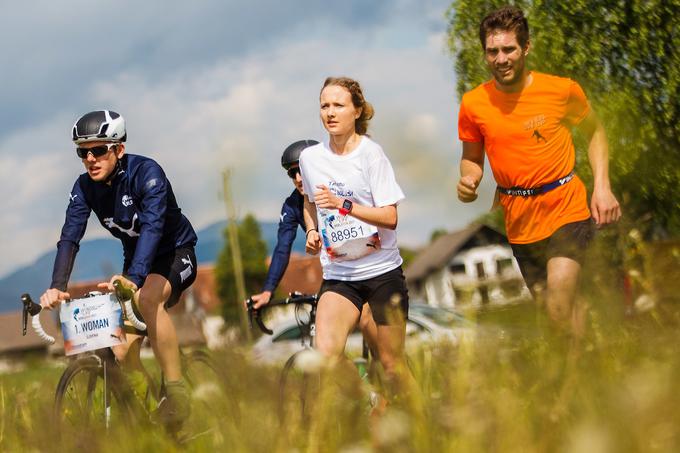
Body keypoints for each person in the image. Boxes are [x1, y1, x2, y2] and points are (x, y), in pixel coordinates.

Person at [456, 6, 621, 335]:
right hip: (519, 222)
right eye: (493, 51)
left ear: (526, 47)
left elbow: (596, 132)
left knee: (559, 306)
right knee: (559, 316)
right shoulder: (473, 104)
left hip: (566, 208)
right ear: (484, 53)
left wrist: (602, 187)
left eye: (509, 49)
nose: (501, 59)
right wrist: (470, 179)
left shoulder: (560, 90)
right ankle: (593, 372)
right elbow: (472, 157)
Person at [39, 110, 198, 427]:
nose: (90, 159)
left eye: (98, 150)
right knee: (122, 352)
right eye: (83, 152)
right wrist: (57, 284)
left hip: (175, 254)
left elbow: (153, 227)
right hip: (135, 263)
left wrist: (134, 279)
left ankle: (177, 392)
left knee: (148, 298)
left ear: (118, 150)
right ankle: (157, 414)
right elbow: (70, 236)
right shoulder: (84, 187)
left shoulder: (147, 173)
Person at [301, 76, 414, 404]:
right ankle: (368, 400)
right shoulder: (311, 159)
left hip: (382, 273)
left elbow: (390, 217)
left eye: (338, 105)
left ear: (357, 111)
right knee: (326, 356)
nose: (330, 113)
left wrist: (343, 205)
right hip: (340, 276)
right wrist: (311, 230)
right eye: (324, 105)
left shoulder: (371, 155)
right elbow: (309, 200)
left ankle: (424, 424)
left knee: (392, 366)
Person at [249, 139, 380, 357]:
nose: (299, 179)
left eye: (301, 170)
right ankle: (355, 389)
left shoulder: (340, 186)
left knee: (369, 324)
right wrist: (268, 290)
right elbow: (283, 248)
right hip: (338, 276)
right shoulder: (292, 205)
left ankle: (387, 377)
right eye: (292, 174)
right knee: (327, 351)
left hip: (368, 266)